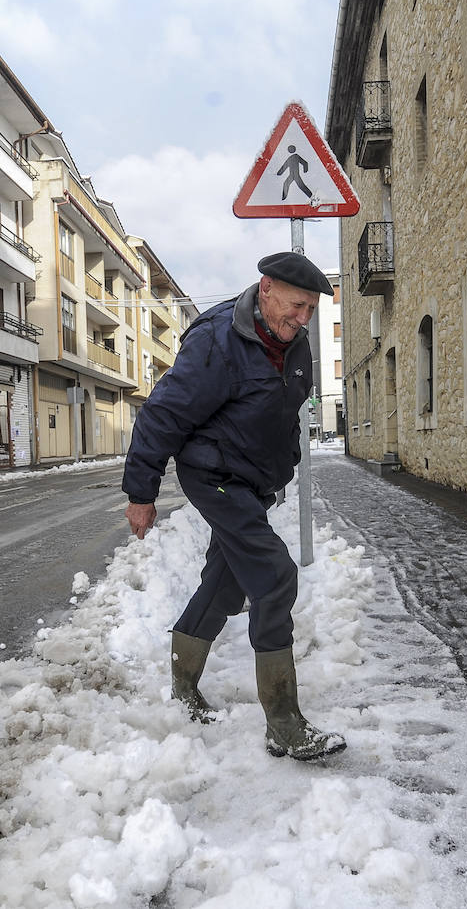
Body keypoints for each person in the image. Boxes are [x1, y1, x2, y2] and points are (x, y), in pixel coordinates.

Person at [123, 251, 346, 761]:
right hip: (214, 474)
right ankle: (284, 722)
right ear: (265, 289)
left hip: (252, 481)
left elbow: (289, 409)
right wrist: (141, 493)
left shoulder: (297, 343)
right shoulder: (217, 340)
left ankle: (182, 686)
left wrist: (282, 463)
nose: (303, 318)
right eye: (296, 305)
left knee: (224, 585)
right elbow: (162, 415)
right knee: (273, 576)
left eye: (311, 309)